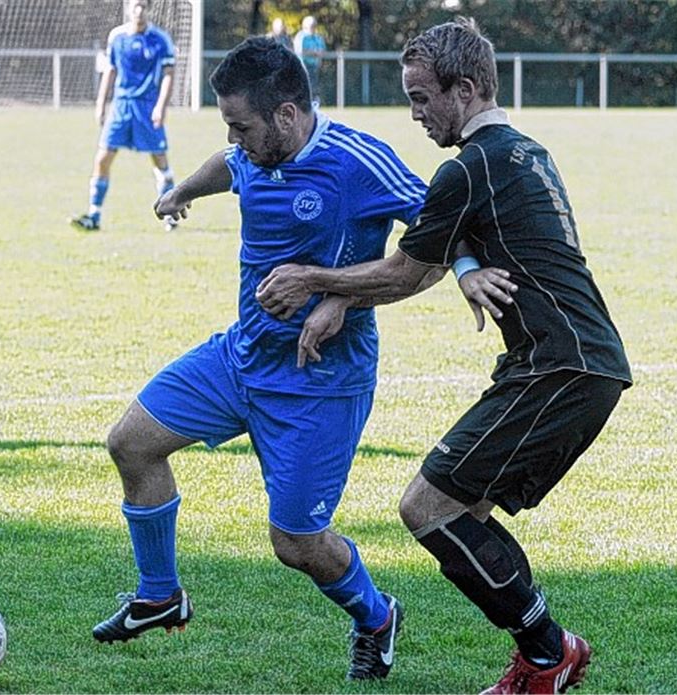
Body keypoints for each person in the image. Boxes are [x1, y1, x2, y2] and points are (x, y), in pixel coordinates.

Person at [255, 17, 631, 694]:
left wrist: (316, 279)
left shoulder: (468, 167)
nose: (415, 113)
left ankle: (550, 654)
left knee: (427, 505)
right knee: (467, 518)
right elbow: (443, 258)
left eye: (423, 97)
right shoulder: (523, 151)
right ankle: (543, 654)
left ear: (463, 89)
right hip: (573, 361)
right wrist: (456, 271)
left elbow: (406, 271)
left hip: (557, 366)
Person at [91, 37, 428, 682]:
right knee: (132, 443)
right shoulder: (253, 151)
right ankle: (160, 596)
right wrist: (181, 190)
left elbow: (439, 241)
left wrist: (338, 294)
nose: (234, 137)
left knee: (296, 544)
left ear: (286, 115)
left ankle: (377, 615)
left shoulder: (358, 162)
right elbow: (229, 164)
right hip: (240, 359)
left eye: (242, 125)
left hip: (319, 383)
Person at [69, 0, 179, 232]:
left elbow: (169, 74)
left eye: (143, 6)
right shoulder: (117, 37)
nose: (139, 11)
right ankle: (94, 215)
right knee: (102, 159)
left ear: (148, 9)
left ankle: (170, 213)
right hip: (121, 107)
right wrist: (101, 103)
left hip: (147, 107)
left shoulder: (160, 39)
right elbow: (111, 70)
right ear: (128, 8)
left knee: (160, 161)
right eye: (135, 6)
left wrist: (161, 106)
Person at [292, 15, 326, 98]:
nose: (313, 28)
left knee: (313, 87)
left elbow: (322, 51)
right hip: (302, 66)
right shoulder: (300, 37)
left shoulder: (318, 38)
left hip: (314, 66)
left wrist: (313, 53)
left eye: (314, 25)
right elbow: (300, 51)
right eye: (311, 26)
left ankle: (313, 104)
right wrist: (314, 52)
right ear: (305, 26)